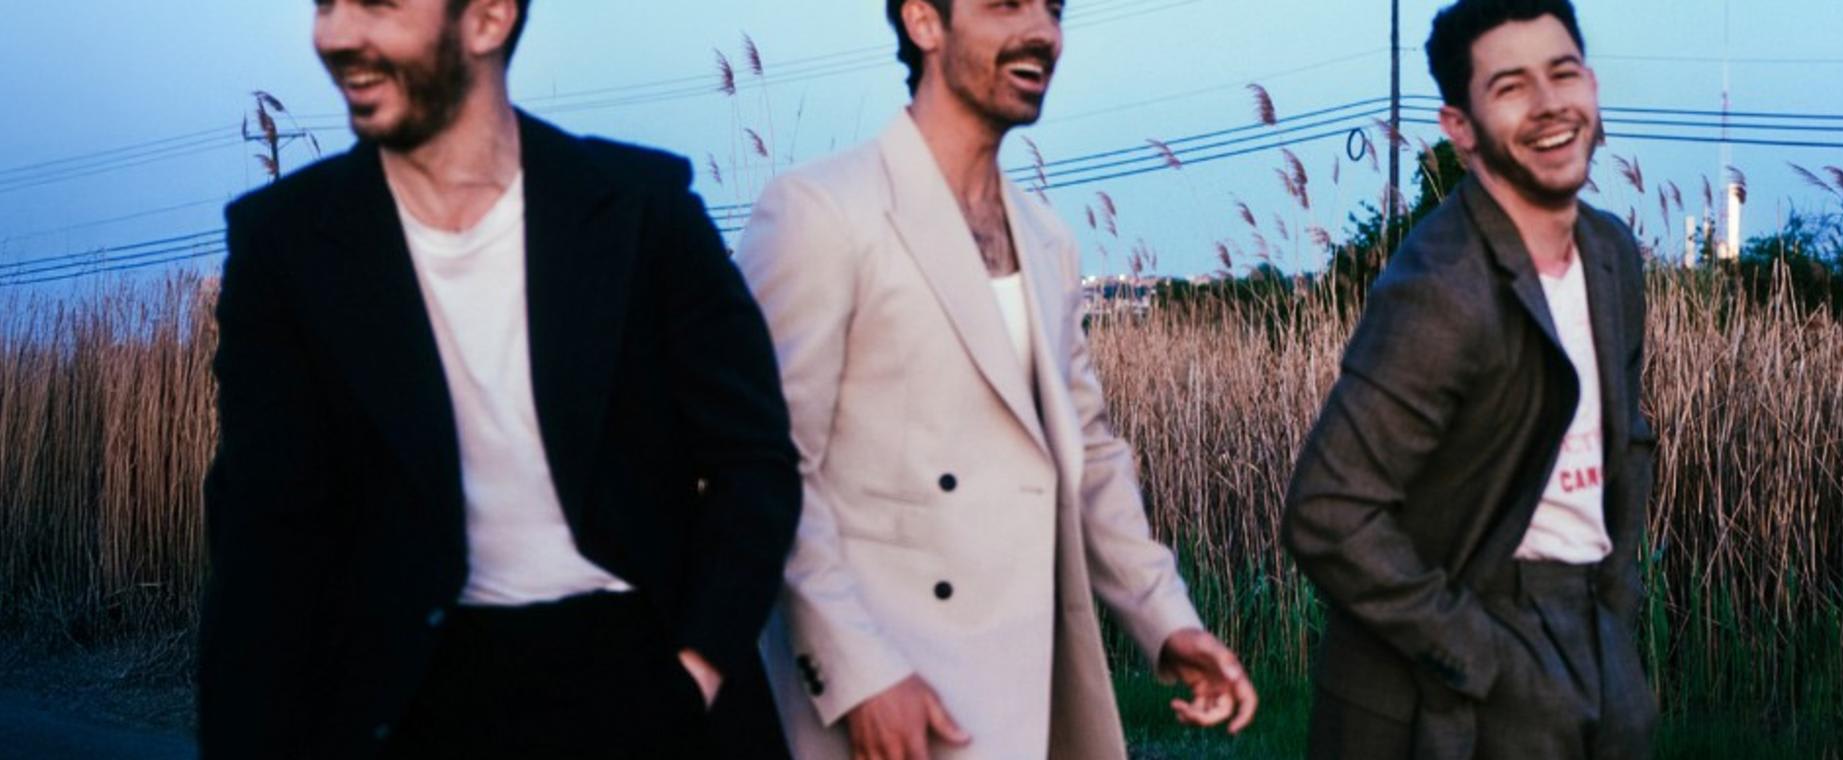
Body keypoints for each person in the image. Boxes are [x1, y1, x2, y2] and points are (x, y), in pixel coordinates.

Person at [197, 0, 800, 756]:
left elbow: (755, 459)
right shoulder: (284, 243)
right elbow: (262, 540)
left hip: (639, 674)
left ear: (488, 19)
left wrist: (699, 666)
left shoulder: (639, 208)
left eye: (376, 5)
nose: (336, 34)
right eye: (326, 5)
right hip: (407, 696)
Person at [734, 1, 1258, 758]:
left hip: (1026, 684)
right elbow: (769, 464)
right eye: (1007, 4)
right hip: (892, 698)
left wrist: (1167, 621)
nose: (1042, 31)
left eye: (1054, 9)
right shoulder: (821, 212)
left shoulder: (1046, 239)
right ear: (924, 22)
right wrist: (859, 674)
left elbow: (1089, 454)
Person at [1282, 0, 1659, 757]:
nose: (1550, 104)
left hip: (1593, 636)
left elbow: (1625, 442)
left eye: (1563, 73)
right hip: (1461, 673)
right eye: (1511, 86)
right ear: (1460, 128)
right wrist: (1482, 658)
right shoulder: (1442, 284)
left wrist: (1615, 611)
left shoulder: (1610, 254)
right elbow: (1328, 511)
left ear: (1591, 85)